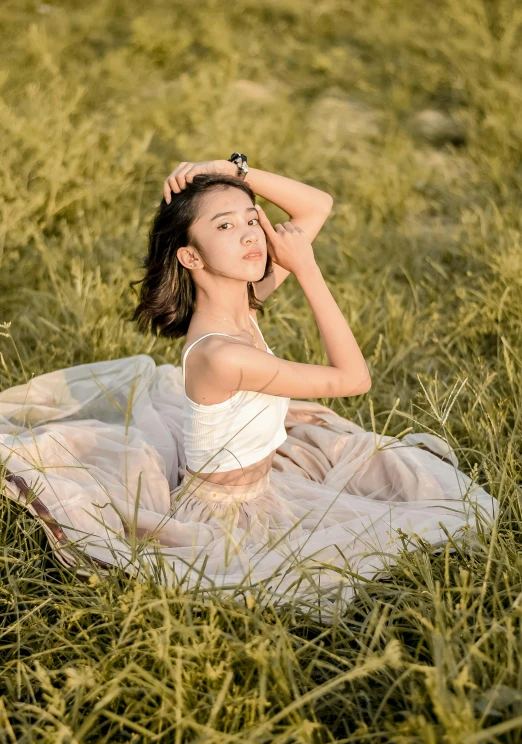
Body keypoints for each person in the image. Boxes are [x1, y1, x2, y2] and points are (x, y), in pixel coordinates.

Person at [0, 156, 498, 619]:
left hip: (263, 476)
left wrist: (228, 168)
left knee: (419, 495)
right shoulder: (223, 354)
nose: (250, 234)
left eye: (252, 219)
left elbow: (317, 204)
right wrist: (306, 268)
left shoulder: (245, 298)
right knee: (396, 532)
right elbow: (354, 379)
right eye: (225, 226)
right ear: (191, 258)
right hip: (231, 514)